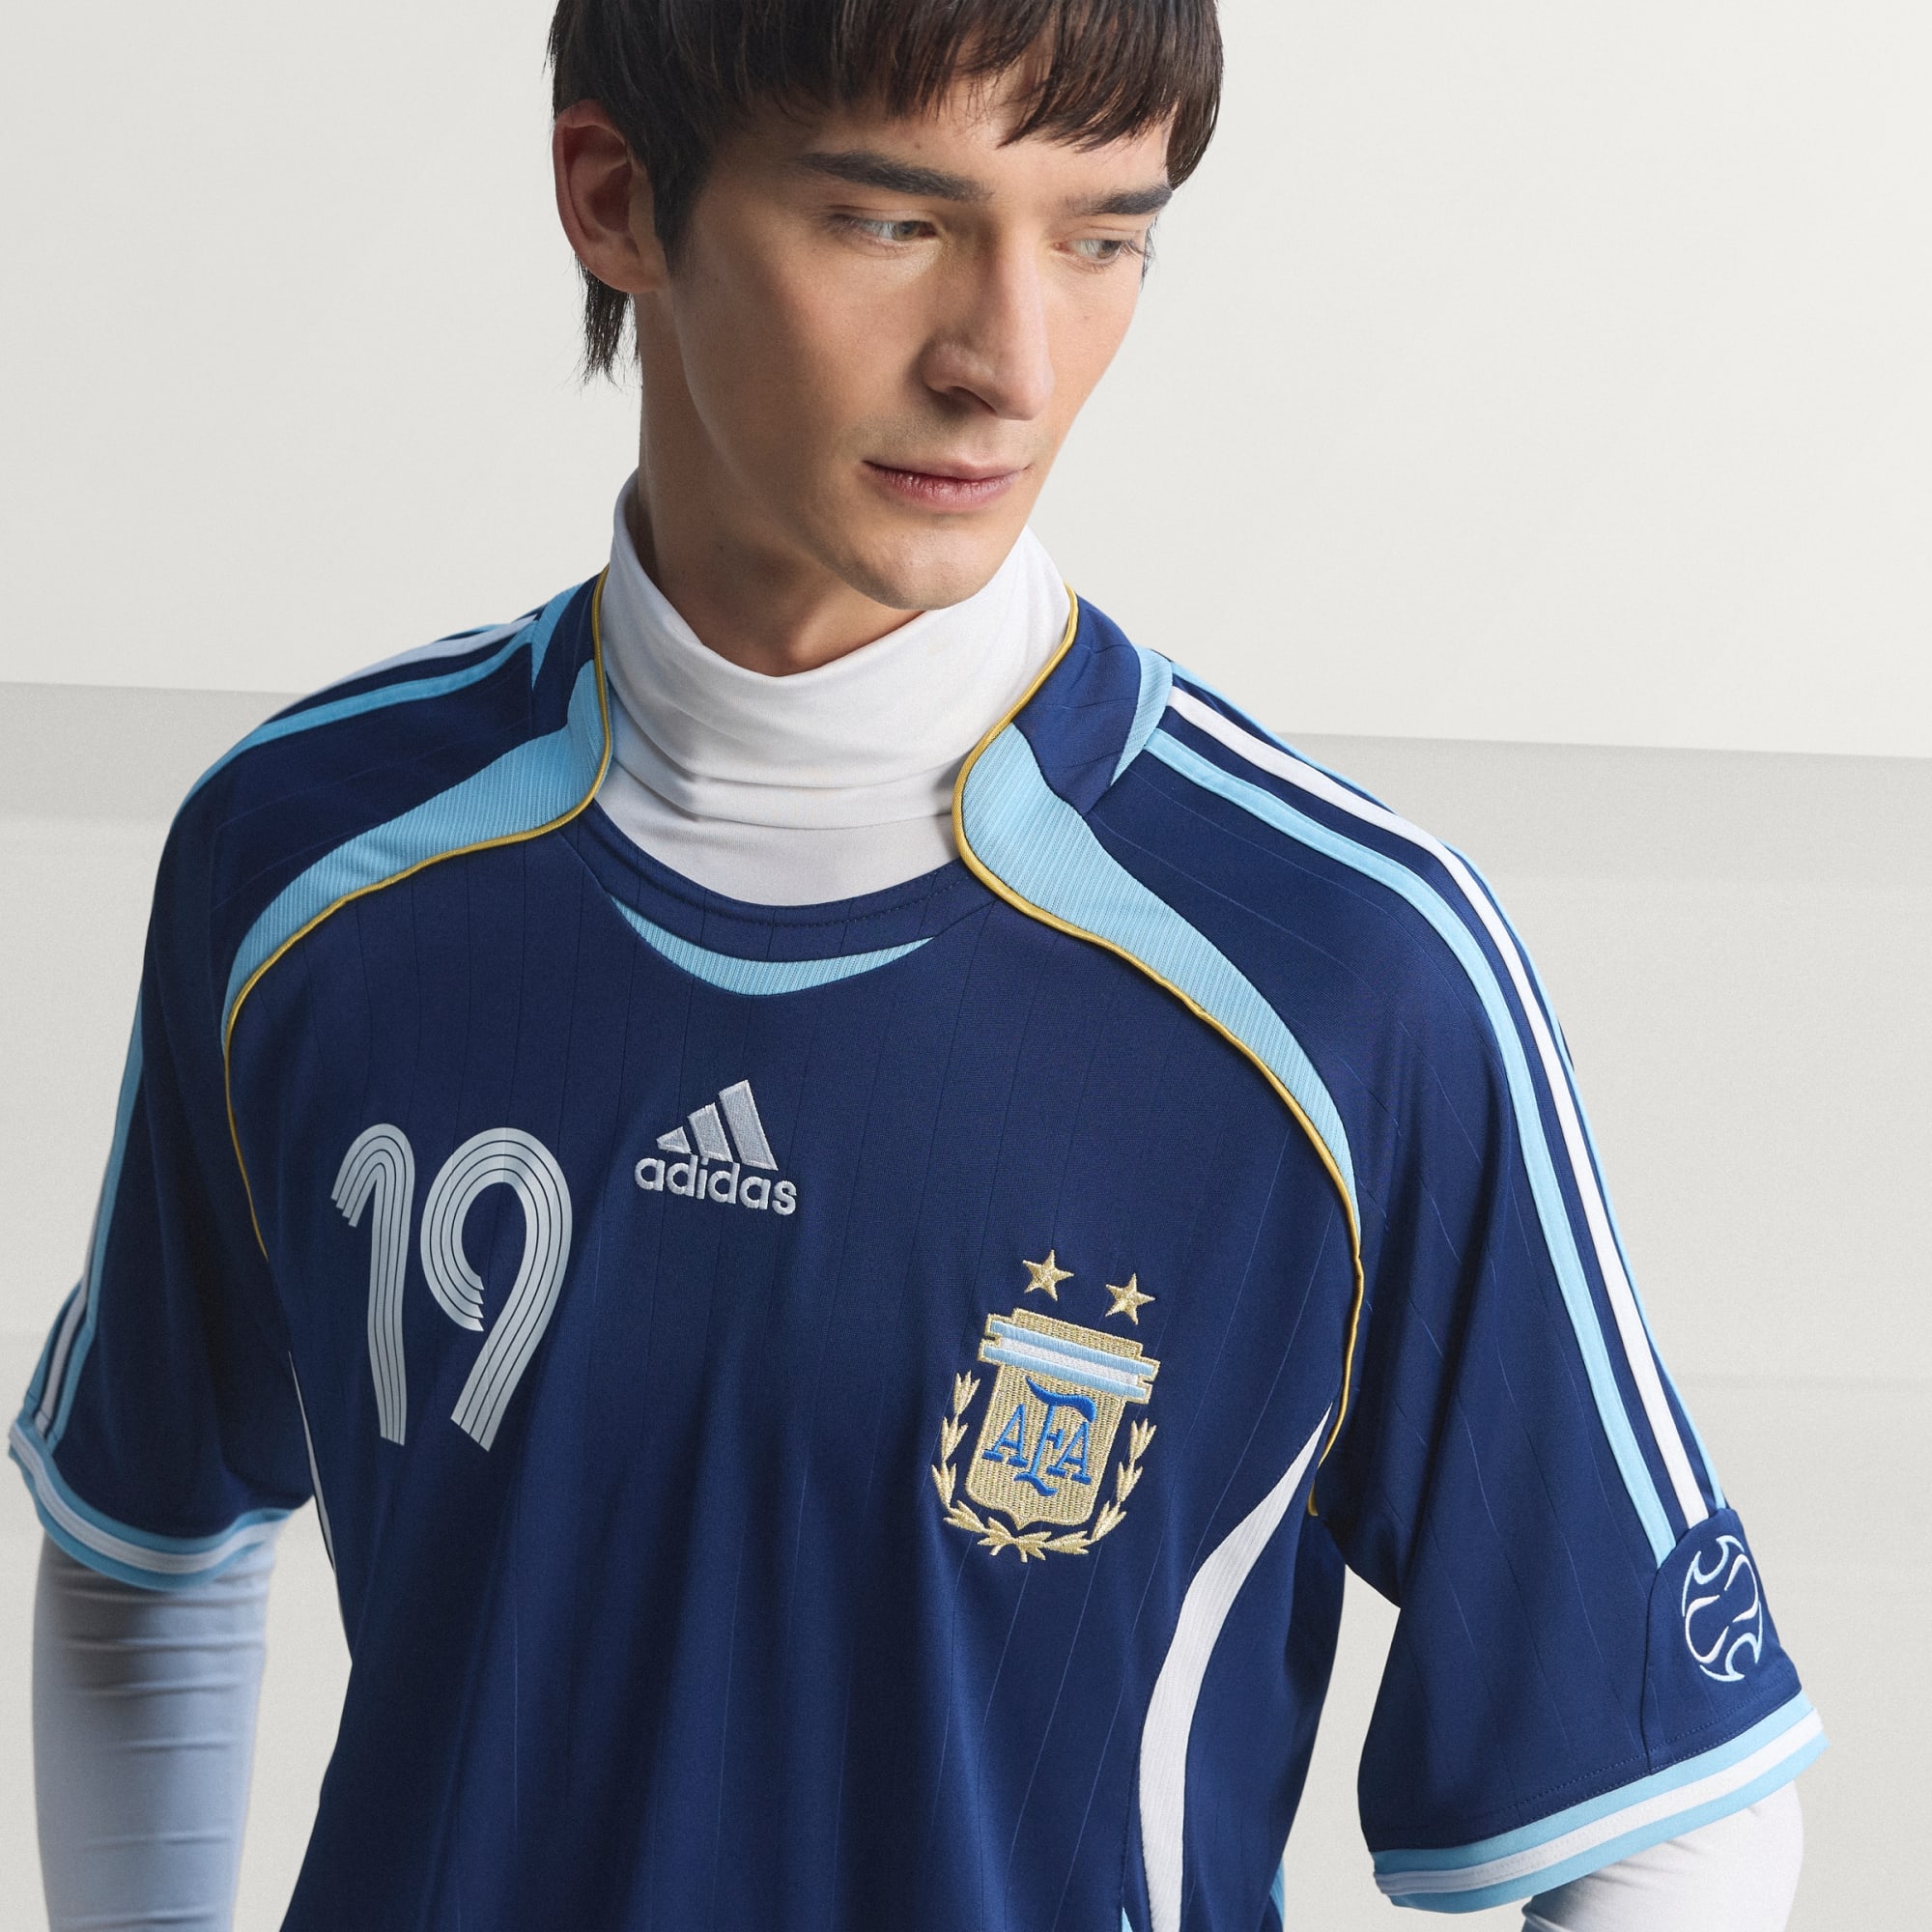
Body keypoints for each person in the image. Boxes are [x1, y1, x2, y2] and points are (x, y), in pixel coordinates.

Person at [17, 3, 1818, 1928]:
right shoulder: (304, 861)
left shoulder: (1344, 978)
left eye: (1101, 237)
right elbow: (143, 1546)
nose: (1007, 366)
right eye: (892, 223)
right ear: (614, 198)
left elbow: (1668, 1806)